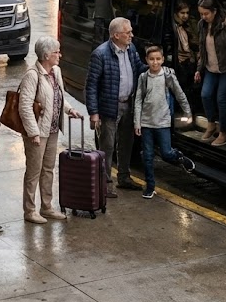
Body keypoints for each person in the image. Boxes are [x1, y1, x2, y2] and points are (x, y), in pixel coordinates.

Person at [20, 36, 83, 223]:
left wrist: (70, 109)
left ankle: (46, 207)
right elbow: (24, 107)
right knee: (34, 171)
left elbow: (59, 96)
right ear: (46, 55)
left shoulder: (56, 71)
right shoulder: (32, 75)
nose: (60, 55)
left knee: (48, 169)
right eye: (56, 52)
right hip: (38, 132)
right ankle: (30, 211)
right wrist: (33, 133)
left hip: (53, 128)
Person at [85, 17, 146, 197]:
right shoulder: (100, 54)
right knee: (108, 146)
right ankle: (104, 183)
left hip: (128, 104)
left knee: (126, 143)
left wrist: (154, 66)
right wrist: (94, 113)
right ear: (116, 35)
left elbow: (138, 68)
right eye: (128, 33)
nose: (131, 36)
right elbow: (91, 85)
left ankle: (124, 177)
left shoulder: (131, 49)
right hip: (109, 108)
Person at [132, 45, 196, 199]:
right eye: (151, 59)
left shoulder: (167, 76)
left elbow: (179, 94)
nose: (155, 62)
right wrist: (137, 122)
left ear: (162, 60)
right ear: (146, 60)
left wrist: (188, 112)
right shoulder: (143, 78)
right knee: (147, 156)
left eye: (158, 59)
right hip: (147, 123)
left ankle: (179, 157)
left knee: (166, 152)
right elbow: (138, 100)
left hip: (163, 122)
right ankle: (150, 186)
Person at [194, 0, 226, 147]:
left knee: (221, 99)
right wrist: (198, 69)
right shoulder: (201, 25)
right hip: (210, 68)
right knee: (205, 94)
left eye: (206, 13)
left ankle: (223, 132)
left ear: (214, 11)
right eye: (201, 14)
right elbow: (202, 49)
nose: (203, 17)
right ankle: (211, 124)